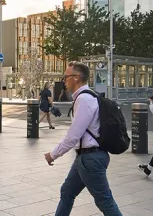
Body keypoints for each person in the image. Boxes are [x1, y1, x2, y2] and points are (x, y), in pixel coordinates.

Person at [43, 62, 123, 216]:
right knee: (67, 192)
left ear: (76, 78)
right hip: (85, 157)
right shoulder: (87, 96)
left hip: (91, 159)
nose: (64, 80)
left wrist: (53, 154)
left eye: (66, 77)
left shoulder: (84, 99)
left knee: (105, 202)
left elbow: (73, 136)